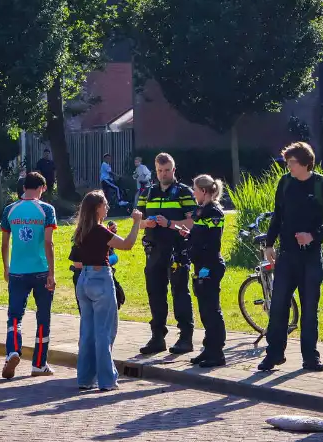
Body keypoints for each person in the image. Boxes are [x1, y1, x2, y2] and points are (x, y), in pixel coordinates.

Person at [258, 142, 323, 373]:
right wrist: (269, 244)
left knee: (309, 308)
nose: (288, 167)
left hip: (311, 257)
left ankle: (310, 357)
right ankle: (274, 354)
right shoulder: (285, 183)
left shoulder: (321, 185)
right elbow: (278, 214)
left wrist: (313, 235)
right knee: (278, 306)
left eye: (292, 162)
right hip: (286, 256)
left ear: (306, 163)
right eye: (287, 162)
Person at [70, 191, 145, 392]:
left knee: (87, 331)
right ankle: (106, 379)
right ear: (97, 208)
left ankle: (84, 378)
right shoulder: (99, 231)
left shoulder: (81, 230)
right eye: (105, 205)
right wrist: (136, 222)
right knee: (104, 330)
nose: (107, 208)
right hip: (100, 278)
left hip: (83, 279)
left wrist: (109, 231)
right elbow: (127, 245)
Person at [136, 153, 196, 356]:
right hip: (154, 249)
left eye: (167, 170)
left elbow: (192, 223)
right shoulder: (148, 192)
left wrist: (170, 224)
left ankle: (185, 337)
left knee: (180, 292)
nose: (163, 174)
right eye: (160, 171)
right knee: (155, 293)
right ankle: (157, 337)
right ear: (155, 170)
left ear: (174, 169)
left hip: (177, 249)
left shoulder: (184, 192)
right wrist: (146, 223)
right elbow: (138, 220)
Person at [1, 172, 58, 379]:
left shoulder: (9, 210)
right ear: (42, 188)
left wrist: (6, 267)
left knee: (14, 316)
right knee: (43, 317)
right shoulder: (46, 210)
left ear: (24, 188)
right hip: (41, 270)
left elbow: (5, 243)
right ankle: (39, 364)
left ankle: (13, 350)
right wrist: (52, 272)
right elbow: (48, 242)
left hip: (17, 270)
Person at [176, 174, 227, 367]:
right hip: (200, 264)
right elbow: (201, 235)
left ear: (204, 191)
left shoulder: (214, 212)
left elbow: (213, 241)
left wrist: (195, 243)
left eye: (195, 189)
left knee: (212, 310)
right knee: (205, 310)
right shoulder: (203, 210)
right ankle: (208, 349)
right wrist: (189, 235)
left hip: (210, 265)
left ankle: (217, 352)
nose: (193, 192)